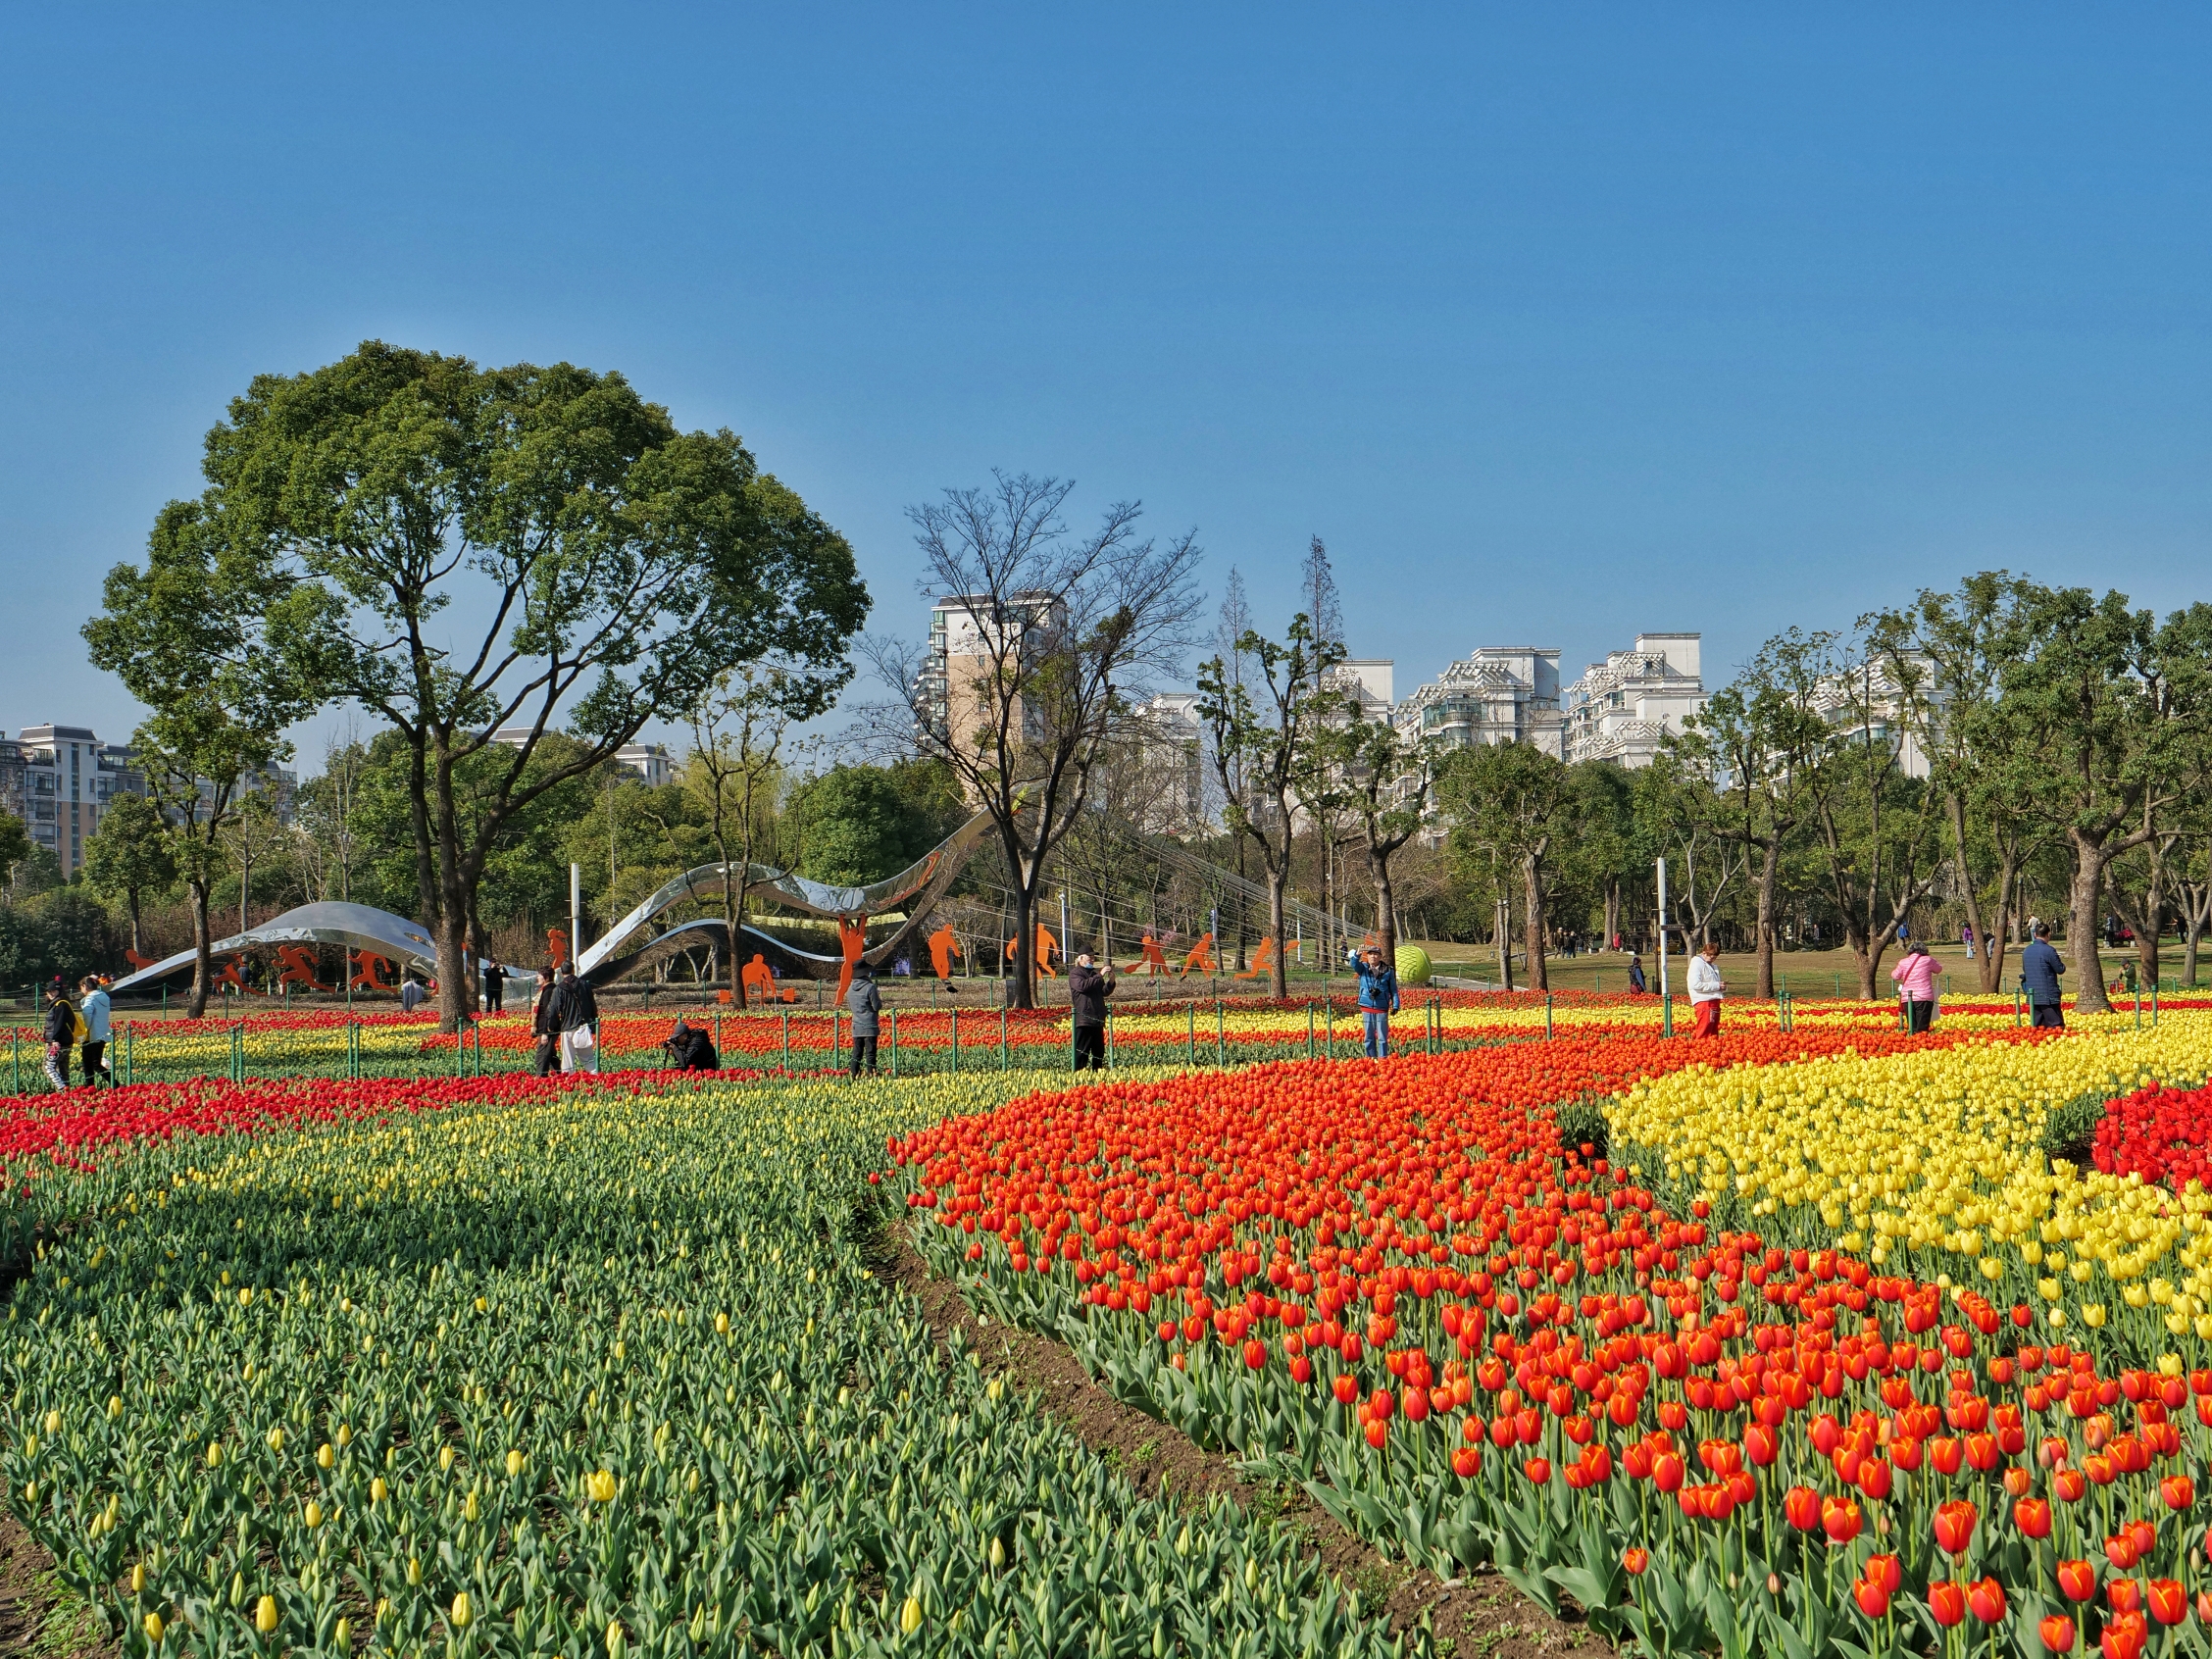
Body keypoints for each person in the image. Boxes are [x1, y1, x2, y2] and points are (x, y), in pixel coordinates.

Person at [1347, 944, 1399, 1059]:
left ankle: (1383, 1059)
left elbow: (1393, 990)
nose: (1373, 957)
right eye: (1370, 954)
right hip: (1366, 1006)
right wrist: (1357, 954)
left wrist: (1395, 1005)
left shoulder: (1388, 970)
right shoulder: (1364, 968)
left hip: (1382, 1007)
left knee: (1382, 1036)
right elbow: (1354, 964)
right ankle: (1370, 1060)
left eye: (1375, 954)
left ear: (1380, 956)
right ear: (1367, 956)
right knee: (1369, 1036)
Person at [1069, 951, 1116, 1071]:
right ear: (1081, 958)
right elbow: (1083, 986)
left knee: (1098, 1051)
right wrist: (1100, 975)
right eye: (1089, 957)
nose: (1092, 959)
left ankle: (1097, 1074)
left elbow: (1103, 992)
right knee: (1082, 1051)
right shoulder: (1075, 973)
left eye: (1093, 957)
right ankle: (1079, 1074)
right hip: (1084, 1018)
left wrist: (1111, 982)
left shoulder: (1094, 973)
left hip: (1097, 1017)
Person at [549, 963, 599, 1074]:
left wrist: (551, 1027)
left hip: (567, 1028)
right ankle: (597, 1078)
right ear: (573, 970)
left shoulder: (559, 989)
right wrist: (593, 1025)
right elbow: (592, 1005)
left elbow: (553, 1010)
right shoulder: (584, 985)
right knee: (588, 1059)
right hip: (583, 1027)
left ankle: (569, 1082)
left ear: (561, 973)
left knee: (568, 1062)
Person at [2022, 923, 2066, 1029]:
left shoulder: (2026, 950)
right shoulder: (2049, 950)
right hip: (2048, 994)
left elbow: (2025, 969)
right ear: (2048, 935)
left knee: (2037, 1026)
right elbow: (2060, 969)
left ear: (2035, 935)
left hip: (2033, 994)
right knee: (2055, 1025)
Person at [1890, 939, 1938, 1033]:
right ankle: (1921, 1044)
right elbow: (1938, 969)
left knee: (1912, 1026)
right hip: (1924, 997)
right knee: (1922, 1026)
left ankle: (1914, 1042)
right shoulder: (1928, 960)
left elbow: (1895, 976)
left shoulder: (1903, 962)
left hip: (1908, 998)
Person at [845, 959, 881, 1077]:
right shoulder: (870, 987)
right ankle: (871, 1074)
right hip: (869, 1023)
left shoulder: (850, 989)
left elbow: (851, 1006)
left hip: (856, 1024)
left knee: (857, 1051)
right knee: (870, 1052)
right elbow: (876, 1006)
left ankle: (853, 1073)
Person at [41, 979, 75, 1090]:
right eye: (49, 991)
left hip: (59, 1043)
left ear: (59, 991)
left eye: (54, 991)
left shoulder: (60, 1004)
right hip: (64, 1041)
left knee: (48, 1067)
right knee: (63, 1069)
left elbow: (59, 1023)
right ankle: (67, 1093)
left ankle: (62, 1090)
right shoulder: (57, 1004)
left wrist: (54, 1040)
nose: (51, 993)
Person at [77, 976, 111, 1086]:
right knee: (96, 1062)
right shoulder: (104, 997)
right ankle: (114, 1083)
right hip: (103, 1033)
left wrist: (86, 1028)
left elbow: (87, 1014)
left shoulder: (90, 998)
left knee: (89, 1063)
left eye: (81, 987)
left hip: (92, 1034)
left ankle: (90, 1086)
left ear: (85, 986)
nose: (81, 991)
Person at [1687, 939, 1724, 1037]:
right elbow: (1696, 985)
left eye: (1714, 958)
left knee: (1713, 1031)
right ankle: (1702, 1050)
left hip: (1713, 1000)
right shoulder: (1697, 963)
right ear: (1704, 953)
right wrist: (1717, 985)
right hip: (1704, 1002)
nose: (1713, 960)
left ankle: (1712, 1050)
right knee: (1705, 1030)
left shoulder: (1710, 965)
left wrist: (1720, 986)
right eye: (1711, 957)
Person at [530, 966, 561, 1077]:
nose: (537, 977)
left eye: (539, 975)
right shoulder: (546, 989)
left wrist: (545, 1033)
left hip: (548, 1029)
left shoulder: (549, 991)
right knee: (551, 1055)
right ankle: (561, 1074)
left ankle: (541, 1077)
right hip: (546, 1028)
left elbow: (548, 1013)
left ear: (546, 977)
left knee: (542, 1055)